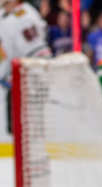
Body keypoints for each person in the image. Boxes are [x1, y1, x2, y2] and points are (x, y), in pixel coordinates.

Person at [0, 0, 51, 134]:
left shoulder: (20, 15)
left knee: (29, 121)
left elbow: (34, 46)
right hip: (21, 72)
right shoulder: (10, 14)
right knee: (18, 125)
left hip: (29, 70)